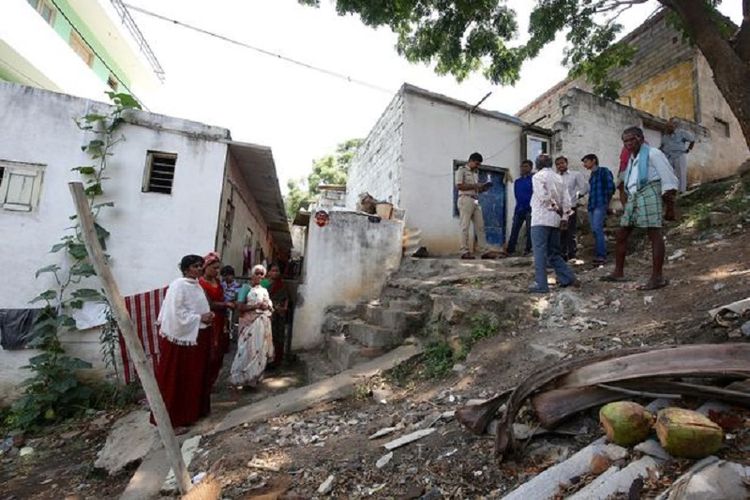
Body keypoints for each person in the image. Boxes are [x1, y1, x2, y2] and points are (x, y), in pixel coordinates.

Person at [603, 126, 679, 290]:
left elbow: (668, 178)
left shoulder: (653, 153)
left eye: (632, 139)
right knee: (622, 234)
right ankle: (618, 272)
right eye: (625, 141)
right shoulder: (631, 159)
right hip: (635, 196)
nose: (628, 143)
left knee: (654, 233)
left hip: (650, 191)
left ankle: (657, 277)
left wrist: (670, 206)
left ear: (641, 138)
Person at [152, 255, 214, 431]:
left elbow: (198, 308)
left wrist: (208, 317)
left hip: (197, 338)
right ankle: (172, 421)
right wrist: (200, 318)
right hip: (181, 341)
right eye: (196, 266)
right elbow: (175, 314)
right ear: (186, 269)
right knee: (177, 378)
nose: (200, 269)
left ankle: (191, 413)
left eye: (201, 265)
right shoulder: (178, 286)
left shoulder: (197, 286)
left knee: (194, 377)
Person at [529, 154, 577, 293]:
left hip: (540, 219)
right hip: (555, 221)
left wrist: (555, 207)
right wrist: (564, 217)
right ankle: (567, 277)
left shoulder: (538, 177)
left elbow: (543, 197)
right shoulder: (559, 178)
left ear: (537, 165)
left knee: (539, 253)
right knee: (554, 253)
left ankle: (541, 284)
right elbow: (567, 200)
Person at [230, 264, 274, 388]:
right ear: (252, 275)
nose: (259, 276)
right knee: (245, 351)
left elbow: (270, 307)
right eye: (257, 273)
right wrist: (256, 306)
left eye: (262, 274)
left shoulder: (264, 291)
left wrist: (268, 307)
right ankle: (240, 378)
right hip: (249, 324)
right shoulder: (246, 288)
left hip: (261, 324)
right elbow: (239, 306)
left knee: (259, 351)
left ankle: (253, 380)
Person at [454, 152, 499, 259]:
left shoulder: (475, 173)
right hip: (465, 198)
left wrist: (483, 188)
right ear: (471, 161)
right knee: (464, 226)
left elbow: (475, 188)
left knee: (480, 226)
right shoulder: (462, 170)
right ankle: (464, 251)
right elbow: (459, 186)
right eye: (477, 163)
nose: (478, 166)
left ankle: (484, 251)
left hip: (475, 199)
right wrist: (475, 185)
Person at [199, 252, 232, 388]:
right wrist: (226, 304)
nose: (217, 271)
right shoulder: (200, 283)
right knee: (209, 351)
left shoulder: (217, 282)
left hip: (221, 320)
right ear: (205, 267)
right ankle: (203, 382)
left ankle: (211, 381)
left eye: (218, 268)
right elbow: (210, 304)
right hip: (209, 320)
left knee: (219, 352)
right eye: (214, 268)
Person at [582, 154, 616, 265]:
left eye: (586, 161)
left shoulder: (604, 171)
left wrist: (606, 202)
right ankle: (599, 254)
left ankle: (602, 255)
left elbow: (611, 187)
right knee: (595, 230)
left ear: (593, 161)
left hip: (600, 204)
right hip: (592, 205)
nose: (584, 164)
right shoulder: (592, 175)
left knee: (597, 228)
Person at [555, 156, 589, 261]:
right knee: (560, 233)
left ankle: (572, 255)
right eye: (558, 164)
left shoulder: (575, 175)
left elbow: (585, 187)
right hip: (559, 209)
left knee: (571, 232)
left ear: (566, 163)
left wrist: (577, 197)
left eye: (562, 163)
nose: (560, 165)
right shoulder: (555, 177)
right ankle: (562, 255)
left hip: (571, 207)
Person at [506, 160, 533, 256]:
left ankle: (528, 250)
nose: (523, 168)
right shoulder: (517, 182)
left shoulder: (533, 180)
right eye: (522, 166)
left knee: (530, 231)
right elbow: (517, 196)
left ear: (530, 168)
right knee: (514, 230)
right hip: (519, 209)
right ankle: (510, 250)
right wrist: (516, 209)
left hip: (530, 209)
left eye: (526, 166)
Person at [661, 117, 695, 194]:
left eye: (669, 127)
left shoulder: (681, 133)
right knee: (669, 174)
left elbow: (692, 140)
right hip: (669, 156)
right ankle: (672, 190)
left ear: (674, 126)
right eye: (667, 127)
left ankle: (682, 191)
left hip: (679, 155)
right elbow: (662, 146)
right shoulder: (665, 136)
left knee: (681, 174)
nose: (668, 128)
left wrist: (689, 149)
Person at [266, 263, 290, 367]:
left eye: (277, 271)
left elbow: (286, 298)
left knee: (279, 336)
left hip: (279, 314)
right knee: (267, 336)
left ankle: (277, 360)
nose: (275, 273)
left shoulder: (282, 285)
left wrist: (284, 308)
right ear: (269, 272)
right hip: (268, 312)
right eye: (273, 270)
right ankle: (266, 360)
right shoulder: (265, 284)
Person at [221, 265, 241, 339]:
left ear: (232, 275)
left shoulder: (238, 286)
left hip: (232, 308)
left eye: (228, 275)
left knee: (230, 324)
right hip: (222, 306)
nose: (226, 277)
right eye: (224, 276)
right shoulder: (221, 285)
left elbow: (237, 298)